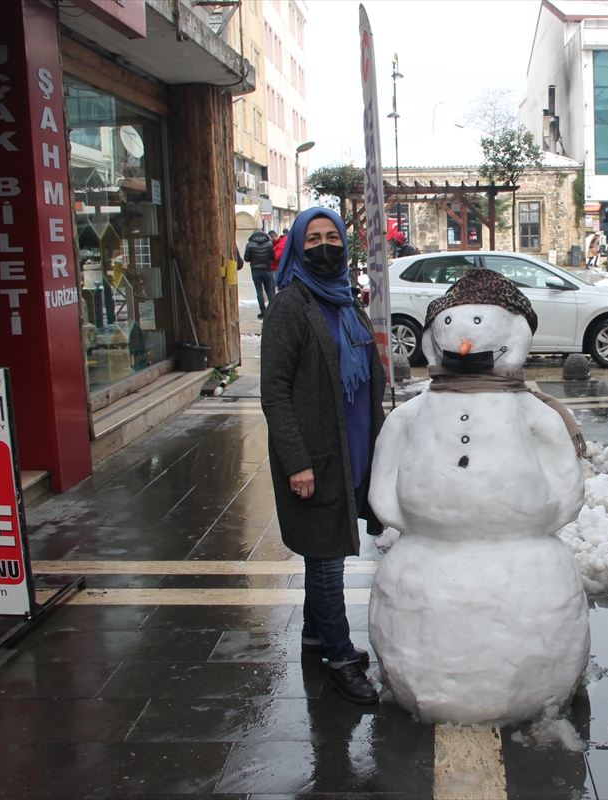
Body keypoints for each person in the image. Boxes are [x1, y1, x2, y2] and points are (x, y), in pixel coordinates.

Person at [261, 207, 387, 705]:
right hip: (315, 455)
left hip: (351, 446)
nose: (323, 245)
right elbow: (274, 391)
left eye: (331, 236)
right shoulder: (290, 305)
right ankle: (339, 656)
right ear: (296, 245)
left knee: (326, 548)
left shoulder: (345, 300)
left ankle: (315, 637)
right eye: (311, 238)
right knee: (327, 559)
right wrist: (297, 463)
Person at [243, 229, 276, 318]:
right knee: (269, 290)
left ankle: (263, 310)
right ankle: (273, 310)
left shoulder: (250, 245)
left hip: (256, 270)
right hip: (266, 269)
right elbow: (273, 257)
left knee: (259, 291)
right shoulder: (269, 245)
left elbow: (246, 258)